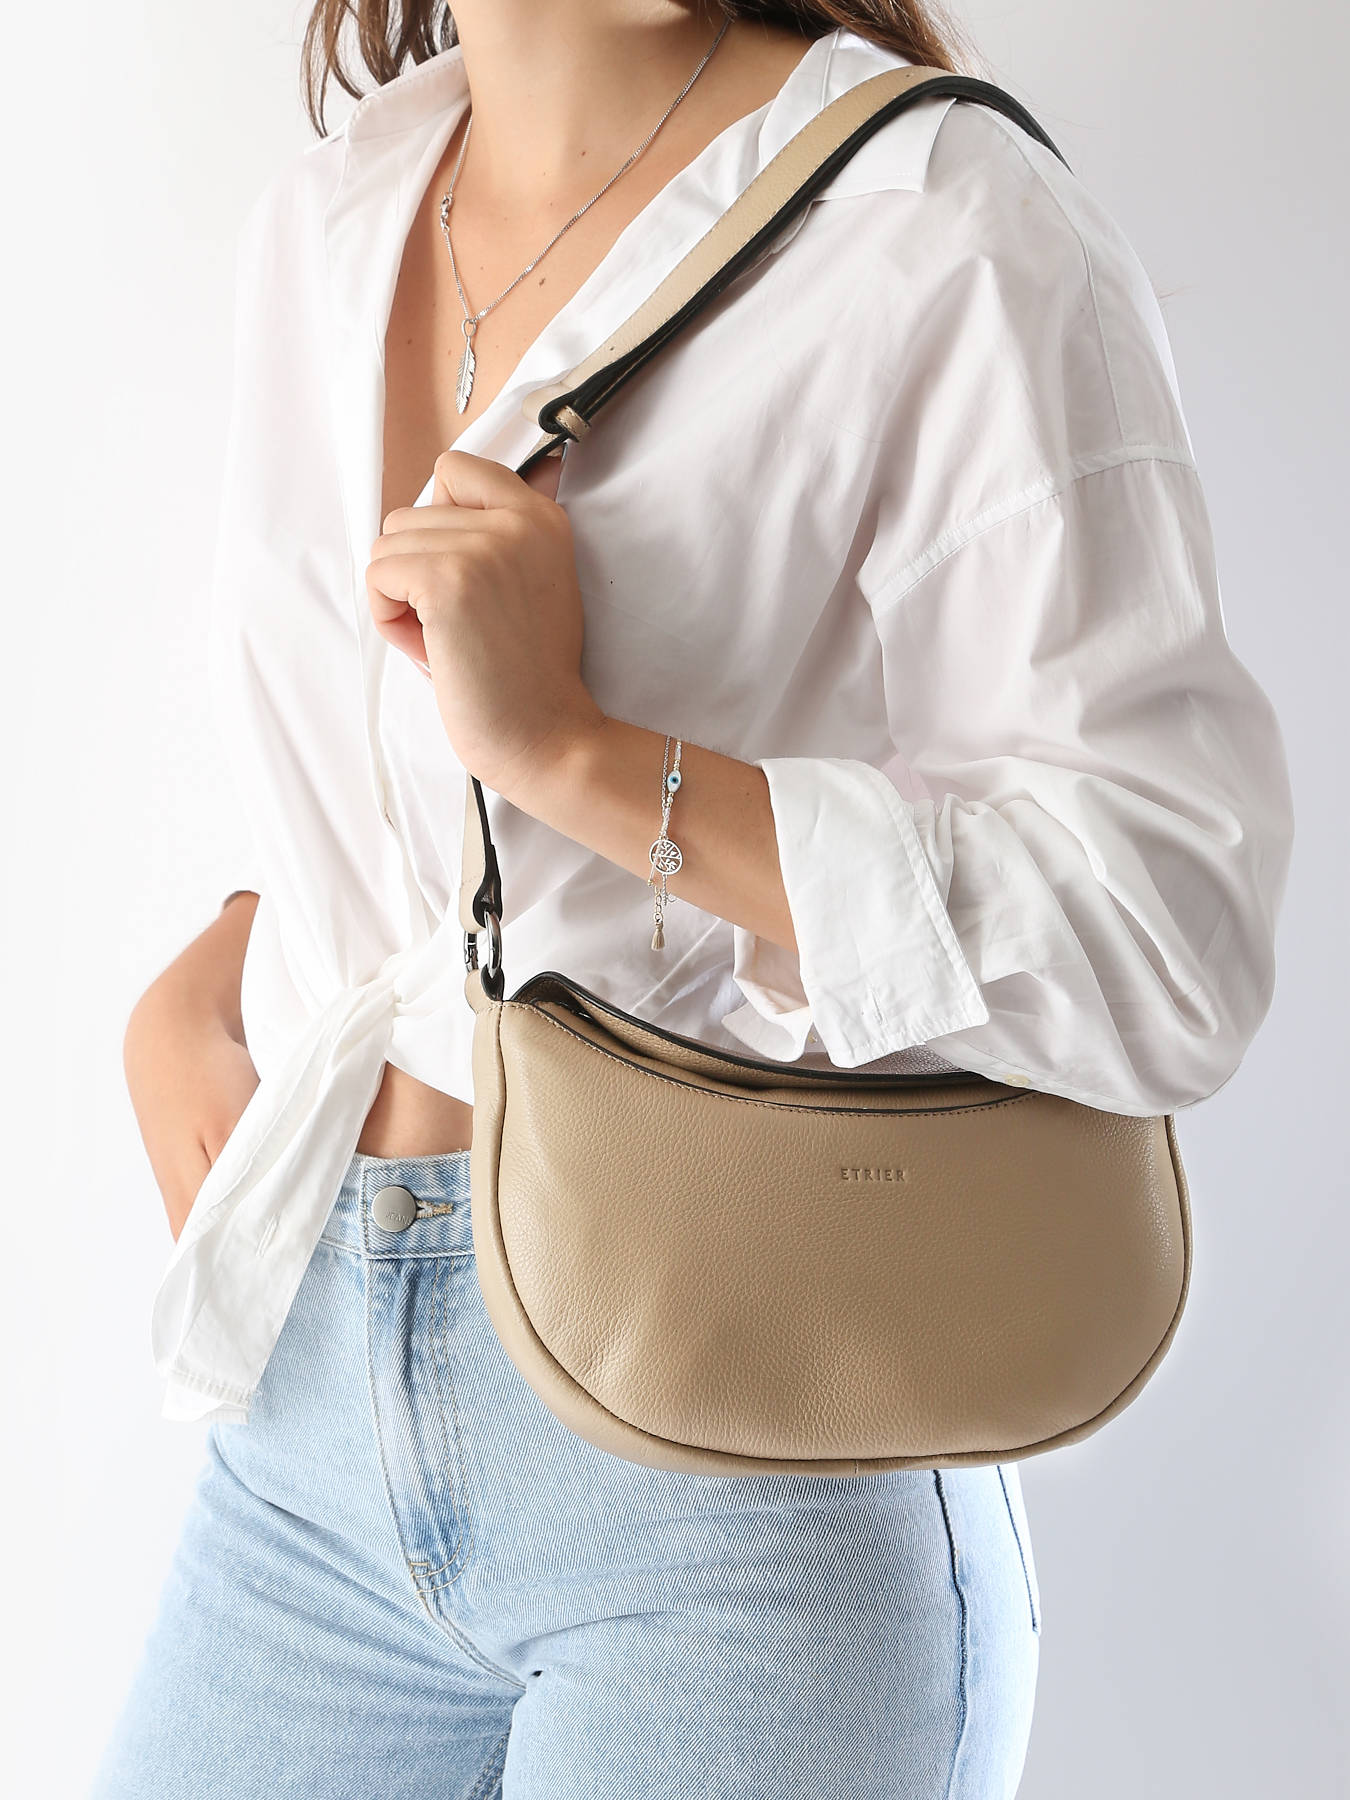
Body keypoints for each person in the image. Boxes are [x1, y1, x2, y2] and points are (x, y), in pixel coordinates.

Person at [93, 1, 1294, 1794]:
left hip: (747, 1487)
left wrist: (580, 753)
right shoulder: (335, 215)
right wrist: (210, 973)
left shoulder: (936, 220)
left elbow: (1162, 935)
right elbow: (380, 784)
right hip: (307, 1415)